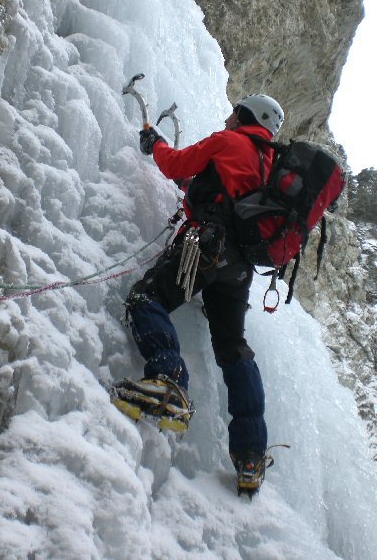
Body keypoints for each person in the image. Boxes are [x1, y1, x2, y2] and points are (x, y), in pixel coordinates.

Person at [111, 94, 285, 496]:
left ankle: (168, 380)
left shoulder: (228, 141)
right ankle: (250, 455)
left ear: (244, 116)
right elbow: (232, 196)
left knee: (146, 298)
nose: (227, 118)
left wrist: (154, 143)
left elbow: (174, 163)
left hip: (205, 245)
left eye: (233, 113)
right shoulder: (271, 164)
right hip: (240, 269)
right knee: (233, 348)